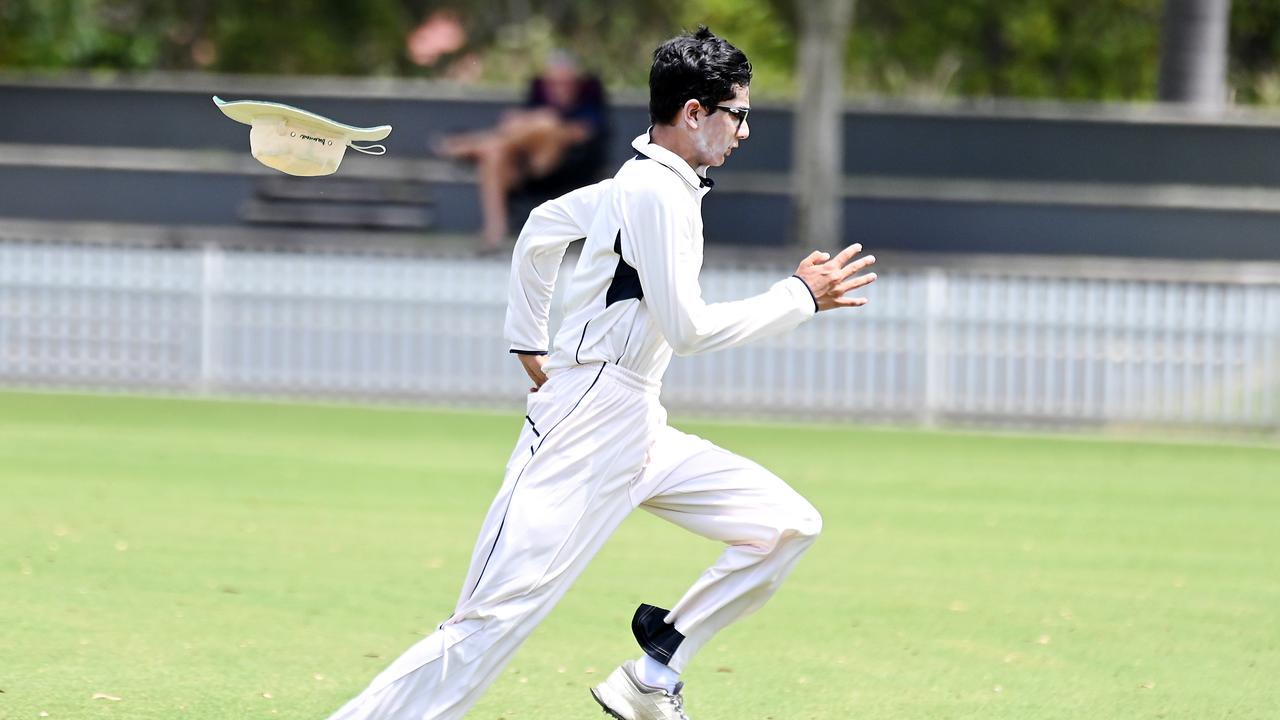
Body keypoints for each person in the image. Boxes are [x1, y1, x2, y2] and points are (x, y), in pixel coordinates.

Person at [326, 26, 876, 720]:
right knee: (489, 624)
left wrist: (527, 337)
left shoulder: (649, 181)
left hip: (636, 420)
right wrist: (799, 298)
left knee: (785, 525)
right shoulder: (653, 189)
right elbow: (690, 328)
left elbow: (543, 228)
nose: (743, 131)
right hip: (585, 428)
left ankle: (654, 670)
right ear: (694, 113)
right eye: (737, 113)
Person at [436, 51, 607, 255]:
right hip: (525, 166)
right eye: (553, 83)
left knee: (545, 122)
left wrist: (543, 126)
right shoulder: (539, 98)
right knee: (494, 154)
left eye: (564, 83)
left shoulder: (588, 101)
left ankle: (475, 143)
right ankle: (494, 232)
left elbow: (584, 133)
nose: (559, 88)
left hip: (562, 164)